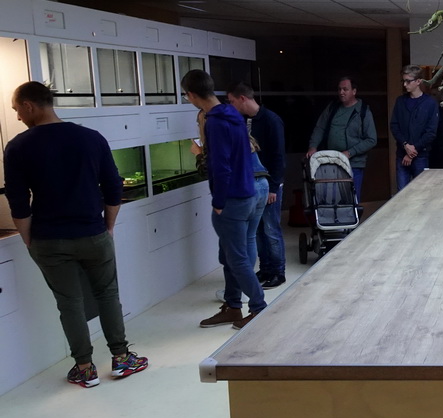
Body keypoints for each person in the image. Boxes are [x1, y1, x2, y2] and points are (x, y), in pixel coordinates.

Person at [3, 80, 148, 387]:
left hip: (49, 238)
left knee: (69, 303)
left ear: (30, 106)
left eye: (17, 110)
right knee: (108, 294)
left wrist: (29, 239)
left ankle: (84, 368)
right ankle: (122, 360)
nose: (17, 117)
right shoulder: (90, 139)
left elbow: (18, 203)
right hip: (92, 233)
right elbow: (113, 187)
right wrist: (107, 226)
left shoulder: (17, 147)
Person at [182, 70, 268, 330]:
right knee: (232, 254)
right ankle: (233, 306)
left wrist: (218, 201)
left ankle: (259, 308)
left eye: (187, 96)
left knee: (237, 258)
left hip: (232, 199)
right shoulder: (234, 114)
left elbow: (221, 166)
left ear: (192, 95)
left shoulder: (215, 122)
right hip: (250, 194)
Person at [227, 83, 287, 289]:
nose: (231, 105)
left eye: (233, 101)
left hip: (268, 183)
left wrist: (273, 186)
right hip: (253, 183)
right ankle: (266, 268)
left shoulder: (271, 120)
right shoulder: (244, 121)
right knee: (258, 229)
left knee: (270, 228)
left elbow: (278, 156)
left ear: (243, 98)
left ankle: (279, 271)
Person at [306, 76, 377, 201]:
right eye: (339, 89)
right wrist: (313, 146)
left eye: (345, 89)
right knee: (331, 198)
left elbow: (371, 139)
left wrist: (350, 152)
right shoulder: (333, 107)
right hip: (331, 161)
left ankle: (354, 221)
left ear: (354, 91)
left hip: (353, 163)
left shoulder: (363, 111)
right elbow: (320, 128)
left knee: (351, 199)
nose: (341, 92)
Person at [390, 65, 439, 190]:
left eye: (408, 81)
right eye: (403, 81)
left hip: (421, 155)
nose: (405, 84)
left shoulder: (430, 103)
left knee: (420, 195)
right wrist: (406, 145)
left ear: (418, 81)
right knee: (401, 195)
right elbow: (394, 126)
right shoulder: (400, 101)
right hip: (402, 153)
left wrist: (412, 151)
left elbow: (431, 132)